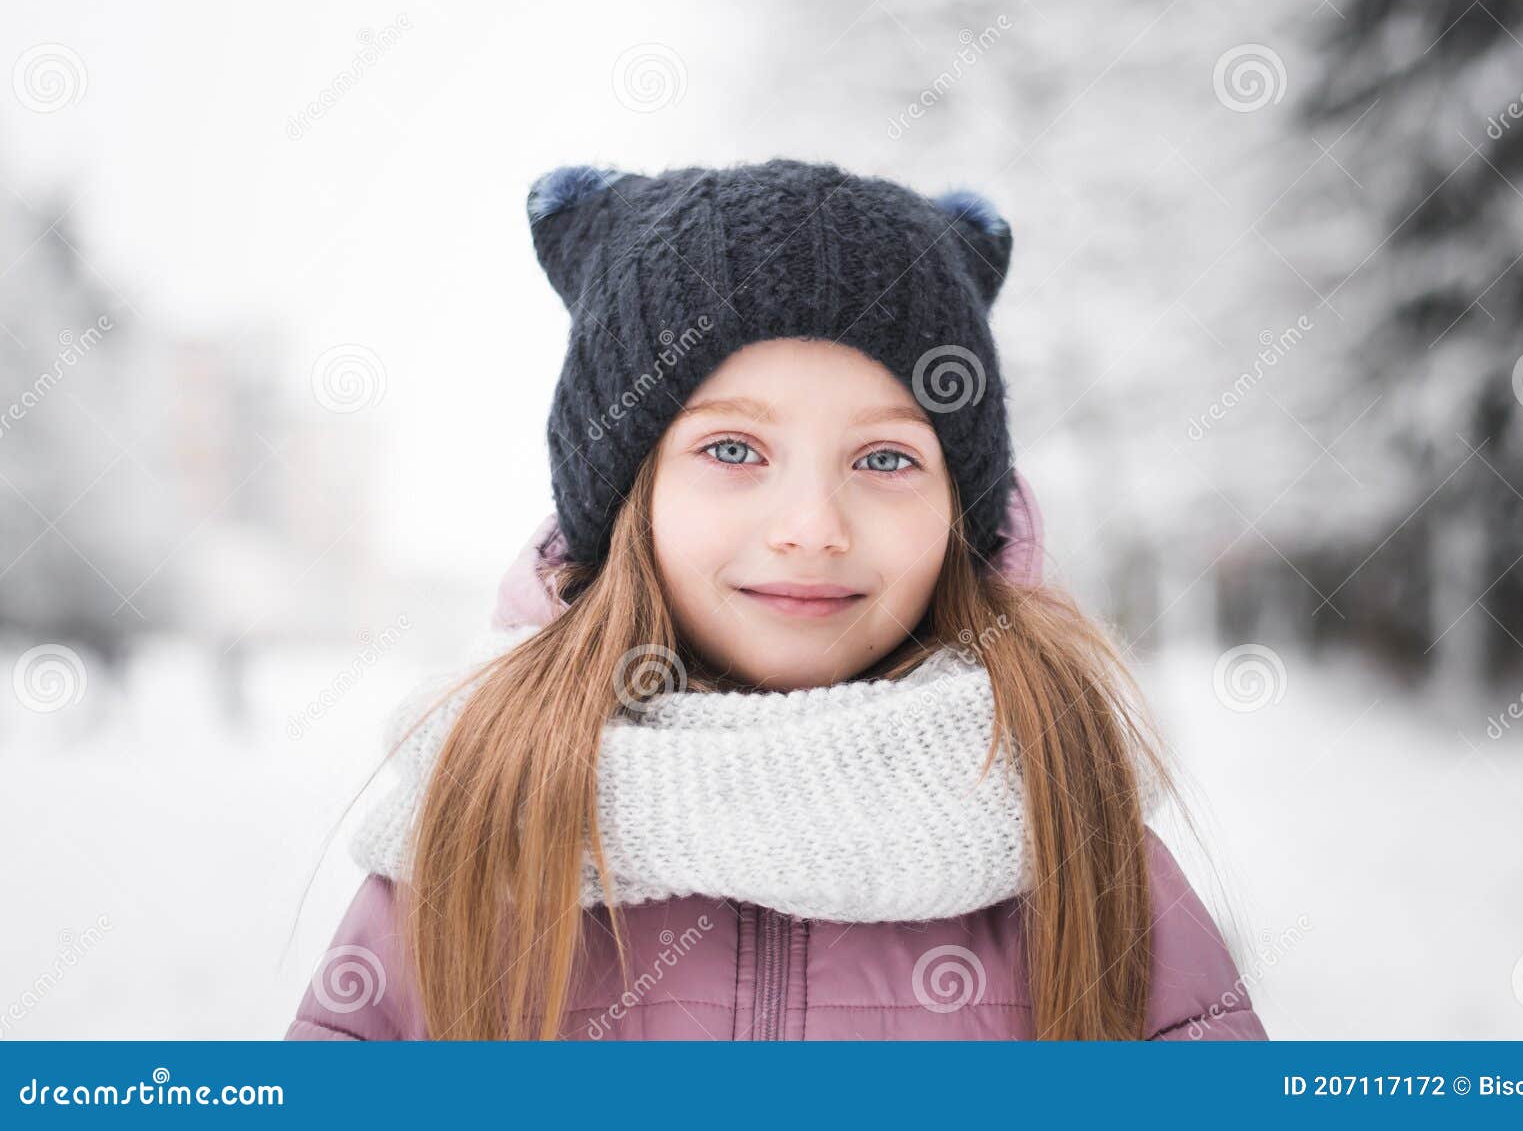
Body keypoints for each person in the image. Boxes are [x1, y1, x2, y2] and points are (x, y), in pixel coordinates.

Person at [285, 158, 1267, 1041]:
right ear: (627, 495)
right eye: (732, 450)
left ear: (963, 518)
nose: (812, 524)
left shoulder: (1064, 808)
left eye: (884, 458)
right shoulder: (489, 807)